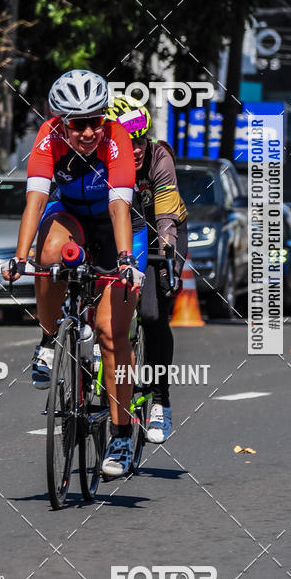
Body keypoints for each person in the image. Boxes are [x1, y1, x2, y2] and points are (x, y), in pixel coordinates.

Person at [3, 69, 147, 478]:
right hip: (69, 217)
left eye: (94, 121)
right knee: (47, 254)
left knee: (110, 333)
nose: (87, 132)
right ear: (61, 122)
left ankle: (120, 433)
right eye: (77, 123)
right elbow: (36, 199)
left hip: (116, 226)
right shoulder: (48, 136)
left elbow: (120, 206)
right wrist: (18, 257)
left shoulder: (116, 137)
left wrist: (124, 261)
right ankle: (49, 340)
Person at [105, 96, 188, 444]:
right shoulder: (104, 160)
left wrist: (167, 254)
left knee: (153, 315)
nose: (136, 148)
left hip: (161, 235)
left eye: (140, 139)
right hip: (122, 236)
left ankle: (160, 401)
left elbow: (166, 213)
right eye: (128, 140)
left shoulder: (160, 157)